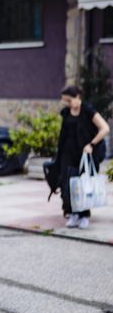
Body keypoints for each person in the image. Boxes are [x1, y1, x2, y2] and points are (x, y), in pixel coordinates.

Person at [55, 85, 110, 229]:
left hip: (84, 153)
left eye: (69, 100)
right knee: (68, 184)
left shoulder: (88, 111)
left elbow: (105, 128)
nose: (67, 104)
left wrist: (91, 144)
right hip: (67, 152)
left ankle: (84, 215)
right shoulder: (66, 112)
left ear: (78, 96)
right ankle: (73, 214)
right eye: (65, 101)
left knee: (83, 185)